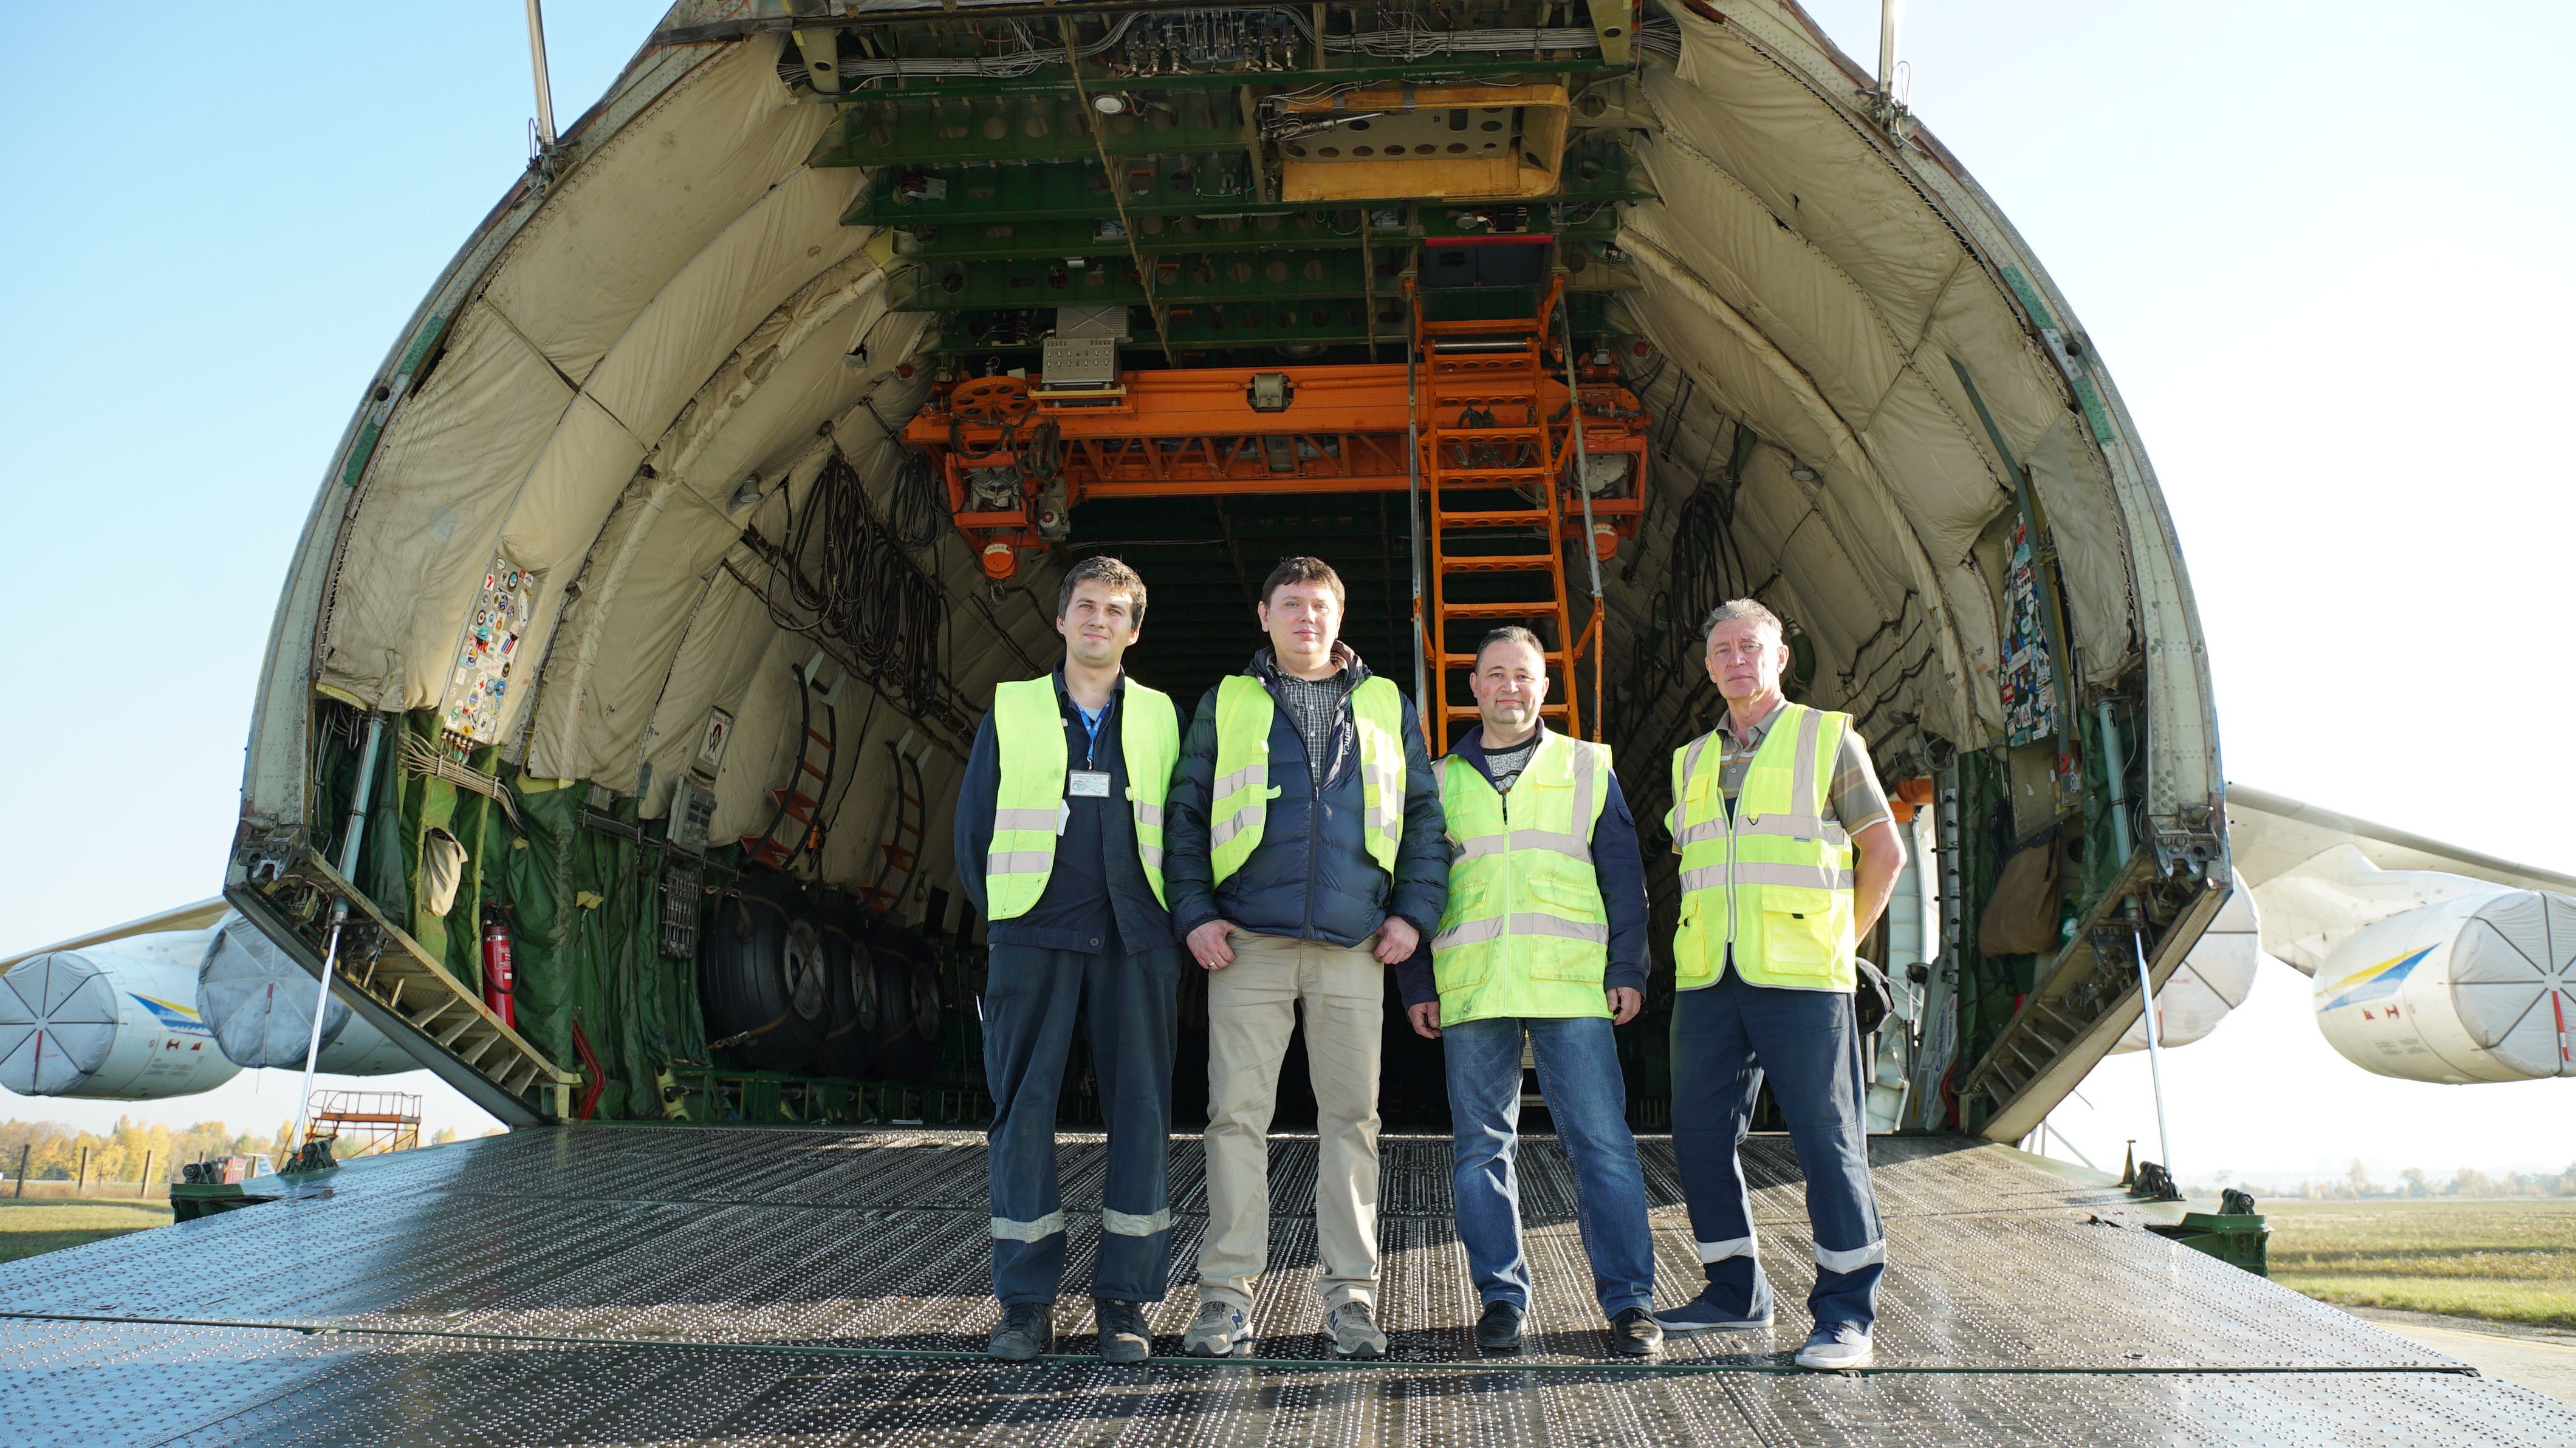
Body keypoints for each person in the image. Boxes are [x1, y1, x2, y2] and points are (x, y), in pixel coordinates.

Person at [1163, 556, 1447, 1359]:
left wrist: (1413, 915)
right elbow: (1185, 814)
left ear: (1340, 615)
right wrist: (1195, 915)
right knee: (1235, 1119)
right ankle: (1225, 1299)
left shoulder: (1387, 703)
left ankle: (1351, 1299)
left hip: (1353, 944)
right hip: (1246, 942)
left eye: (1320, 605)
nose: (1307, 618)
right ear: (1264, 616)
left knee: (1353, 1121)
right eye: (1291, 604)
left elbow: (1423, 818)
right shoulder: (1228, 701)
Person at [1397, 627, 1664, 1359]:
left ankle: (1630, 1300)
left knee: (1601, 1143)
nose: (1509, 686)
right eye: (1494, 674)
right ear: (1473, 687)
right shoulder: (1437, 779)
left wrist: (1627, 968)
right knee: (1480, 1149)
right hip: (1473, 987)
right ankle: (1500, 1297)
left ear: (1544, 686)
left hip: (1570, 985)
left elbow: (1623, 877)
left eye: (1523, 674)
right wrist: (1417, 979)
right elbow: (1413, 885)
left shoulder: (1586, 766)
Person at [1655, 598, 1906, 1371]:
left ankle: (1846, 1314)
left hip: (1802, 980)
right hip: (1709, 976)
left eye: (1750, 646)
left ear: (1779, 657)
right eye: (1722, 649)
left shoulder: (1827, 739)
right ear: (1707, 666)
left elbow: (1884, 852)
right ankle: (1734, 1290)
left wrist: (1838, 944)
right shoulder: (1690, 760)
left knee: (1828, 1142)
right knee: (1699, 1136)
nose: (1736, 660)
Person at [953, 556, 1185, 1364]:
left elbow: (1183, 825)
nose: (1098, 620)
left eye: (1116, 611)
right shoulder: (1012, 707)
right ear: (1060, 619)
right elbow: (974, 827)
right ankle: (1026, 1305)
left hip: (1136, 938)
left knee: (1142, 1117)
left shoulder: (1160, 715)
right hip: (1033, 934)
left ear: (1134, 630)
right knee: (1022, 1116)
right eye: (1086, 606)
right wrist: (1007, 916)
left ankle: (1125, 1301)